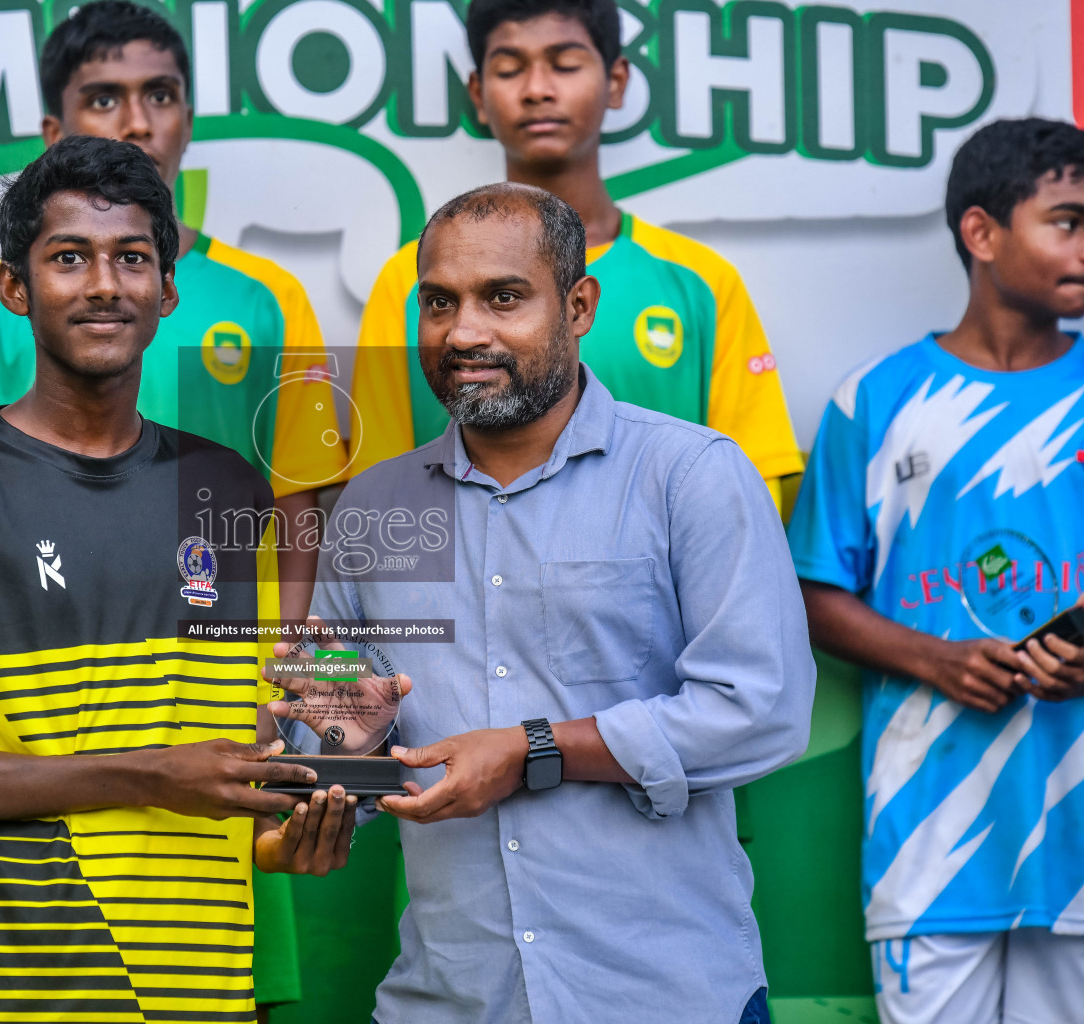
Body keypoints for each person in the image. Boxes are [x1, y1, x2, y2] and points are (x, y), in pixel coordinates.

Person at [0, 134, 358, 1024]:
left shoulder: (230, 489)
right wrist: (148, 777)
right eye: (69, 258)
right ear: (15, 288)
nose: (104, 285)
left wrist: (302, 819)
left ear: (168, 291)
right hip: (6, 996)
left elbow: (232, 769)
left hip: (202, 997)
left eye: (132, 259)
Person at [308, 181, 814, 1024]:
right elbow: (336, 731)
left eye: (503, 298)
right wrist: (309, 798)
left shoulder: (687, 475)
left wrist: (533, 749)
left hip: (664, 997)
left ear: (578, 306)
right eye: (439, 303)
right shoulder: (375, 509)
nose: (464, 332)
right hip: (450, 998)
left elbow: (760, 709)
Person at [0, 0, 347, 621]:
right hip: (39, 657)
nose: (137, 122)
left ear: (187, 119)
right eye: (105, 99)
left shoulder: (268, 297)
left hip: (220, 673)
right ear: (57, 132)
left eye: (159, 96)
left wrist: (279, 668)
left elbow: (297, 502)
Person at [788, 118, 1084, 1024]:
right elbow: (810, 594)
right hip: (930, 841)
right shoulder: (875, 400)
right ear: (982, 233)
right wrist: (937, 658)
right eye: (1067, 220)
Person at [349, 0, 802, 510]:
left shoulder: (701, 282)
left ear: (615, 81)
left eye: (565, 64)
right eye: (509, 68)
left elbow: (749, 491)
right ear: (479, 92)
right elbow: (380, 492)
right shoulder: (408, 284)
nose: (538, 88)